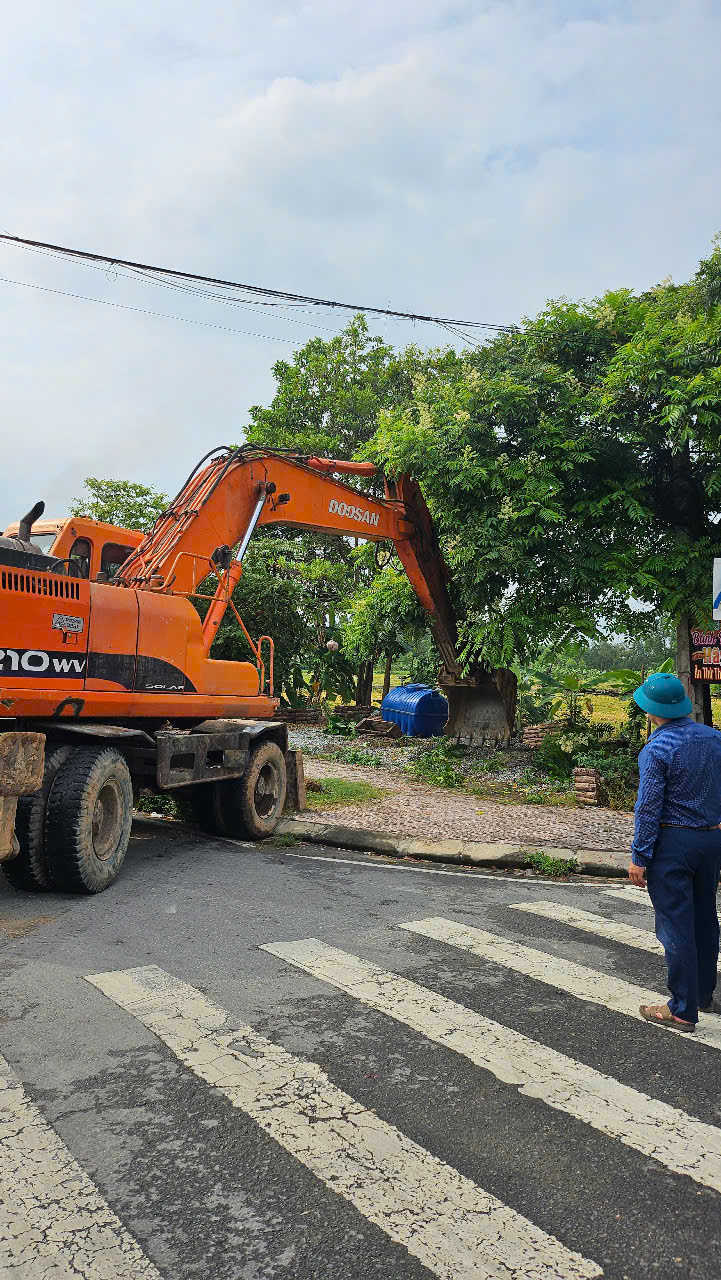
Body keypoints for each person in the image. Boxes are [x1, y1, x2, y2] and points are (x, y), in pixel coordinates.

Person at [628, 672, 721, 1032]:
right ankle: (703, 994)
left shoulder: (657, 749)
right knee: (704, 918)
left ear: (651, 710)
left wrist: (639, 856)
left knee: (676, 925)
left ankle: (682, 1009)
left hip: (673, 844)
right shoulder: (714, 738)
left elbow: (649, 807)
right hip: (710, 841)